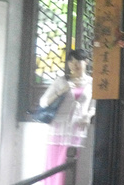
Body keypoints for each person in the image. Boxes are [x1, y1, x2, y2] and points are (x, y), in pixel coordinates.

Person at [39, 49, 96, 185]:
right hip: (58, 129)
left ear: (86, 62)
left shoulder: (91, 83)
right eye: (71, 61)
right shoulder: (61, 81)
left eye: (78, 61)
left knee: (72, 165)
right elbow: (43, 102)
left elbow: (94, 105)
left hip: (77, 128)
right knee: (54, 164)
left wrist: (88, 116)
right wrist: (61, 91)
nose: (74, 65)